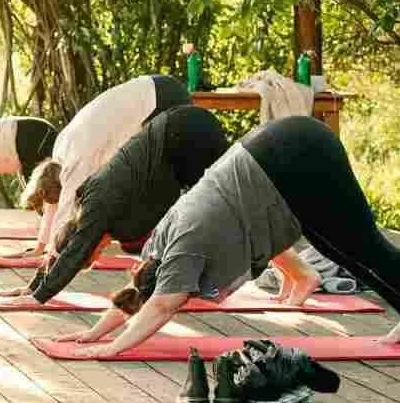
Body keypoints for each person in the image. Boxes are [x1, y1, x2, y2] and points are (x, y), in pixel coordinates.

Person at [60, 116, 400, 357]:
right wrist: (93, 333)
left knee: (366, 246)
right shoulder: (157, 247)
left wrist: (110, 349)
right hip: (279, 154)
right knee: (339, 249)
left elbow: (161, 305)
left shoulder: (183, 256)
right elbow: (137, 297)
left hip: (295, 155)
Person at [25, 105, 229, 303]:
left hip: (184, 134)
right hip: (183, 139)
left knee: (219, 207)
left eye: (91, 257)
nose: (97, 258)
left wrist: (39, 296)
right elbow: (69, 249)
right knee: (214, 206)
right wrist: (35, 285)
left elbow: (74, 252)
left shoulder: (95, 207)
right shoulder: (103, 214)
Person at [23, 73, 191, 250]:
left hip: (162, 98)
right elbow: (53, 207)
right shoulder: (59, 153)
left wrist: (52, 252)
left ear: (61, 185)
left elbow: (63, 210)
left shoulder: (75, 162)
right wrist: (41, 246)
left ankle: (181, 237)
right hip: (156, 88)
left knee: (165, 176)